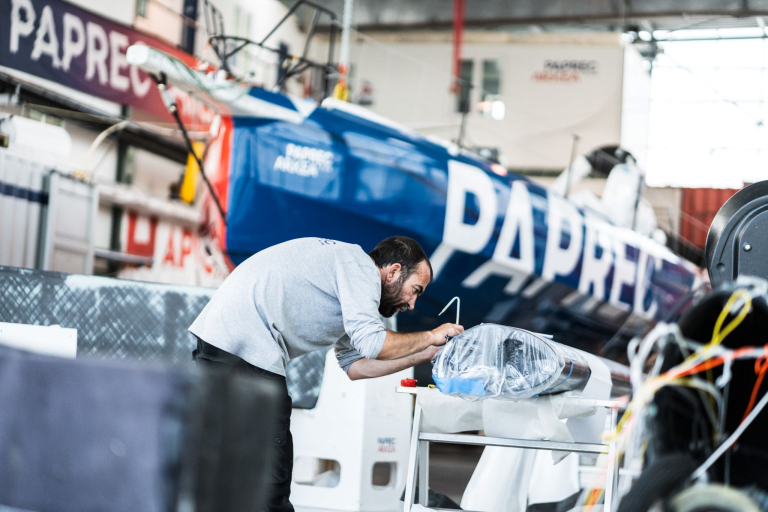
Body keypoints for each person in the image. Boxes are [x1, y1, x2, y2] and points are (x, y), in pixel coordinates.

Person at [189, 236, 464, 512]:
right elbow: (374, 344)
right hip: (243, 344)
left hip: (224, 344)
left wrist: (425, 354)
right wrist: (431, 335)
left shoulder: (351, 287)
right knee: (272, 474)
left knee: (234, 466)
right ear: (393, 272)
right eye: (415, 290)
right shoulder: (359, 268)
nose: (412, 304)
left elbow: (356, 367)